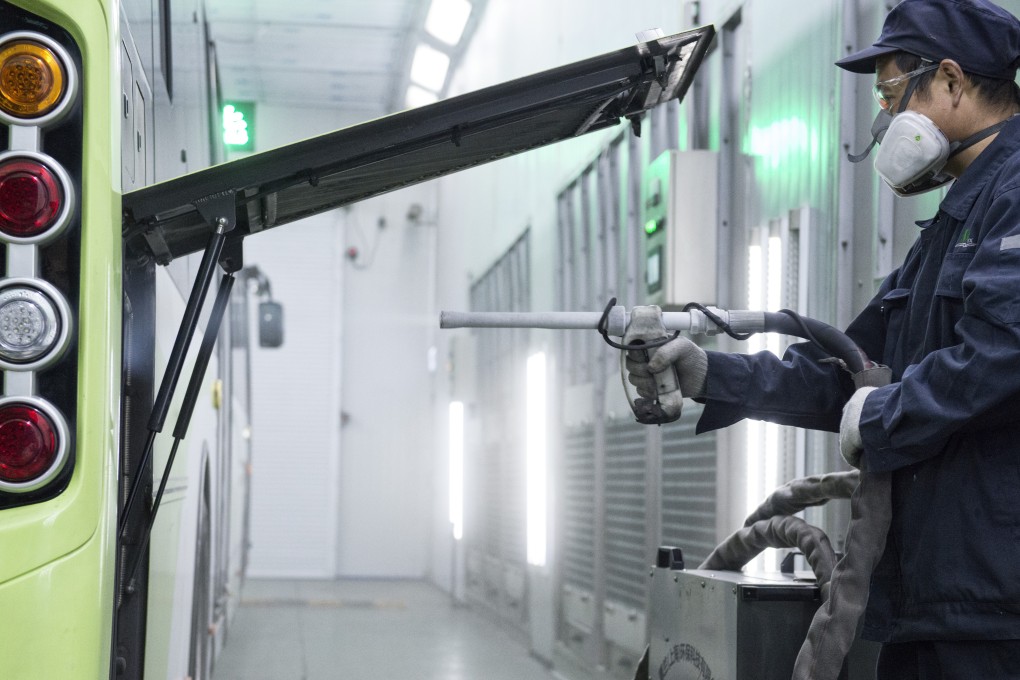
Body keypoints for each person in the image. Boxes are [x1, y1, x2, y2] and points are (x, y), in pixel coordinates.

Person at [627, 0, 1020, 678]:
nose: (888, 122)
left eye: (894, 95)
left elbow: (1003, 354)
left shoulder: (1013, 196)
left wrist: (885, 413)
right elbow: (851, 370)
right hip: (937, 597)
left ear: (952, 82)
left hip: (994, 604)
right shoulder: (951, 228)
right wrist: (712, 375)